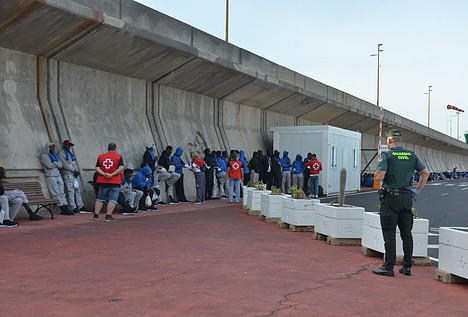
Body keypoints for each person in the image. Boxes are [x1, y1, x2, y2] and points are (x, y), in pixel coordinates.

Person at [372, 129, 430, 277]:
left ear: (389, 140)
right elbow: (425, 173)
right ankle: (406, 267)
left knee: (389, 232)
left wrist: (376, 173)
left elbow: (379, 177)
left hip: (390, 198)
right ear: (400, 140)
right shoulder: (412, 155)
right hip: (407, 198)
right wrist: (417, 190)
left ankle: (389, 267)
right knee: (406, 233)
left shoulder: (387, 155)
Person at [93, 143, 124, 222]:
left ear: (108, 148)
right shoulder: (118, 157)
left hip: (103, 180)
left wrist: (104, 174)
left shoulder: (101, 157)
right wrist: (112, 174)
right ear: (115, 149)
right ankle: (108, 216)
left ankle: (96, 215)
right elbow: (121, 168)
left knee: (100, 198)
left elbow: (97, 168)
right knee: (112, 199)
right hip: (115, 181)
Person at [40, 142, 74, 215]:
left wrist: (54, 163)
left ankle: (65, 206)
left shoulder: (54, 155)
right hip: (50, 176)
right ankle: (62, 208)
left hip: (57, 175)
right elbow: (49, 165)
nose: (52, 148)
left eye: (53, 147)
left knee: (62, 192)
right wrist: (55, 163)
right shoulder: (44, 156)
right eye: (51, 147)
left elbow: (60, 165)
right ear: (48, 147)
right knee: (55, 193)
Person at [58, 140, 84, 214]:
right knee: (70, 191)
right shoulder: (61, 153)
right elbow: (65, 165)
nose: (69, 147)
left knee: (77, 190)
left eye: (70, 145)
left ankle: (80, 205)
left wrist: (76, 170)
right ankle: (73, 207)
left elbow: (73, 163)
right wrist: (73, 170)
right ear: (64, 145)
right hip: (68, 174)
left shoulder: (70, 153)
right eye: (68, 145)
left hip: (74, 174)